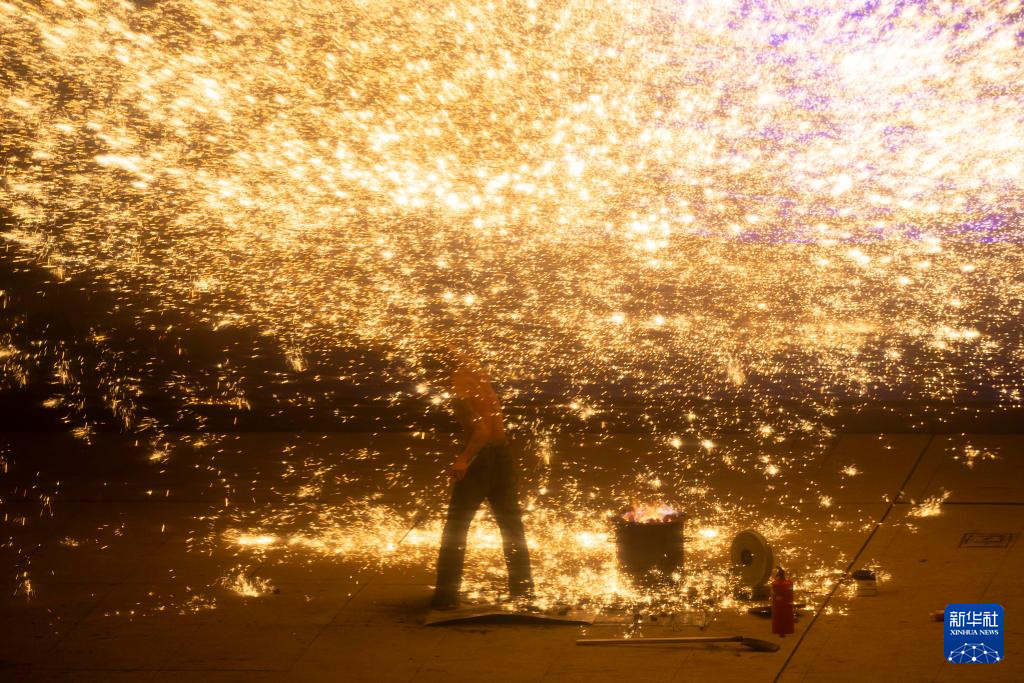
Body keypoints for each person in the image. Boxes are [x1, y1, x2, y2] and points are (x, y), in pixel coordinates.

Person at [421, 343, 533, 610]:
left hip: (480, 460)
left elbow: (481, 432)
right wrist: (428, 335)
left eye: (430, 377)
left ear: (438, 371)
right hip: (503, 455)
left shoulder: (457, 392)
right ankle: (523, 593)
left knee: (456, 529)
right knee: (512, 527)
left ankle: (446, 597)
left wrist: (462, 460)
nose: (432, 383)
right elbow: (454, 351)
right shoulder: (473, 370)